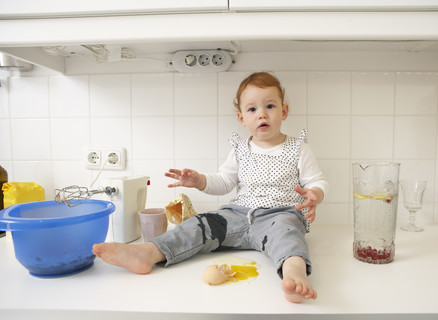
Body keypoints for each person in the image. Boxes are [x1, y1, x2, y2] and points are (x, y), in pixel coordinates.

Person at [93, 72, 328, 303]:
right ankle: (149, 253)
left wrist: (314, 193)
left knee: (289, 237)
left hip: (280, 215)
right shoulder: (240, 149)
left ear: (284, 111)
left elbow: (317, 181)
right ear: (241, 118)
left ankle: (294, 275)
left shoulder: (298, 149)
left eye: (270, 106)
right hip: (237, 214)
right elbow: (224, 181)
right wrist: (199, 181)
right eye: (252, 109)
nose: (262, 114)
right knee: (198, 224)